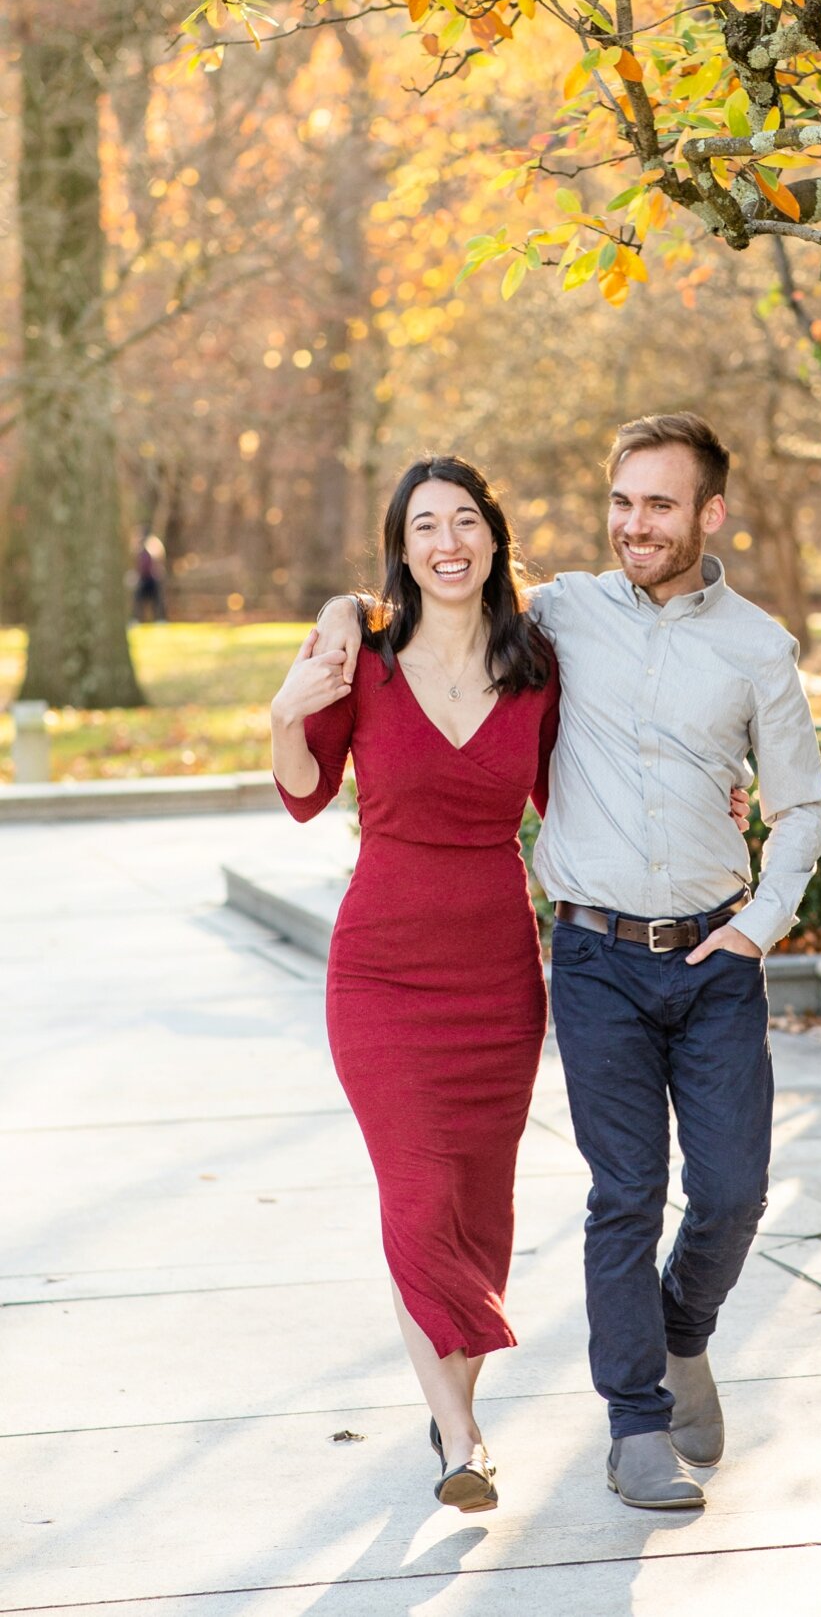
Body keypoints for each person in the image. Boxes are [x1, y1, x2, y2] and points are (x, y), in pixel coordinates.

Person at [312, 412, 821, 1513]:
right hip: (592, 956)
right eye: (622, 503)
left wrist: (760, 924)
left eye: (660, 505)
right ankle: (633, 1424)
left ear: (709, 515)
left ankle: (682, 1336)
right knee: (624, 1195)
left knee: (735, 1195)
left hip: (714, 956)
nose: (636, 525)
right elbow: (431, 595)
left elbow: (802, 806)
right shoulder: (562, 613)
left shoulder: (756, 648)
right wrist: (338, 615)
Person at [270, 457, 562, 1514]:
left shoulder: (537, 662)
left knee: (479, 1208)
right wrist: (281, 717)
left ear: (493, 537)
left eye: (466, 521)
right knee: (418, 1196)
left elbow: (579, 790)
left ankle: (449, 1418)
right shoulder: (363, 653)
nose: (448, 542)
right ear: (400, 547)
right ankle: (462, 1433)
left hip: (495, 970)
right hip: (383, 971)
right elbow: (305, 796)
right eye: (424, 525)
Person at [132, 534, 167, 623]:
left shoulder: (154, 545)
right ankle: (136, 619)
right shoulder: (139, 550)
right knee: (138, 600)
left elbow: (159, 560)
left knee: (157, 600)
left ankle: (160, 619)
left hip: (153, 578)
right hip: (143, 579)